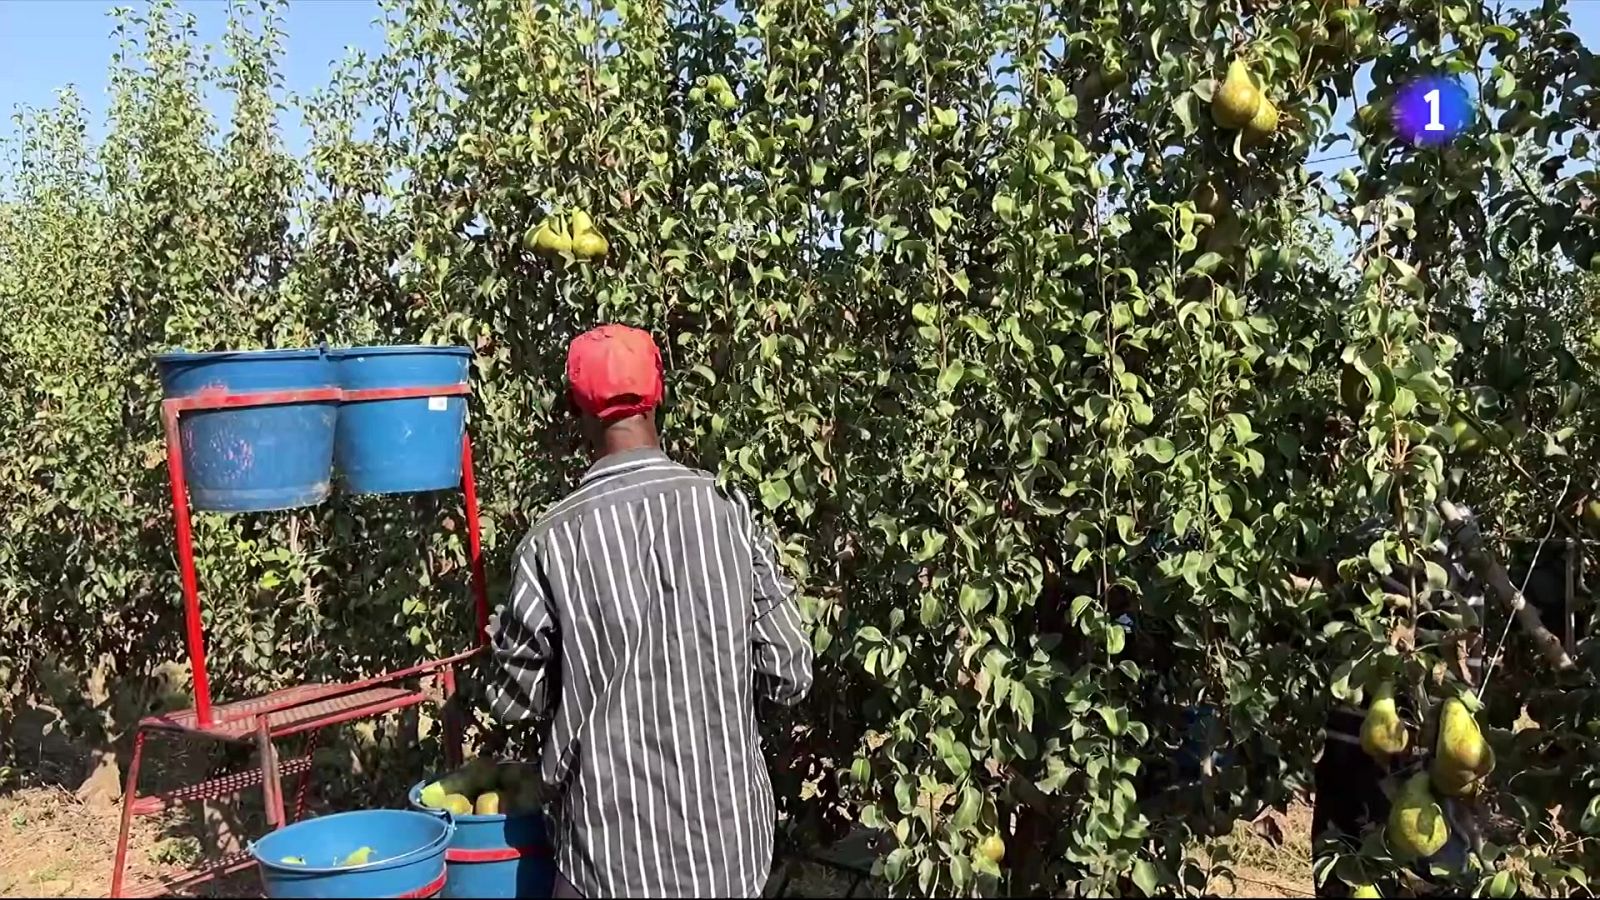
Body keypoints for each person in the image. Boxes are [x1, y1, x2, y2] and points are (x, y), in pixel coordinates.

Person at [484, 323, 815, 899]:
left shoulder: (552, 541)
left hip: (607, 856)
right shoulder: (725, 512)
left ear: (574, 410)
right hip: (727, 850)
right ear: (660, 393)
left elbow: (513, 701)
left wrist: (507, 648)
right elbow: (790, 669)